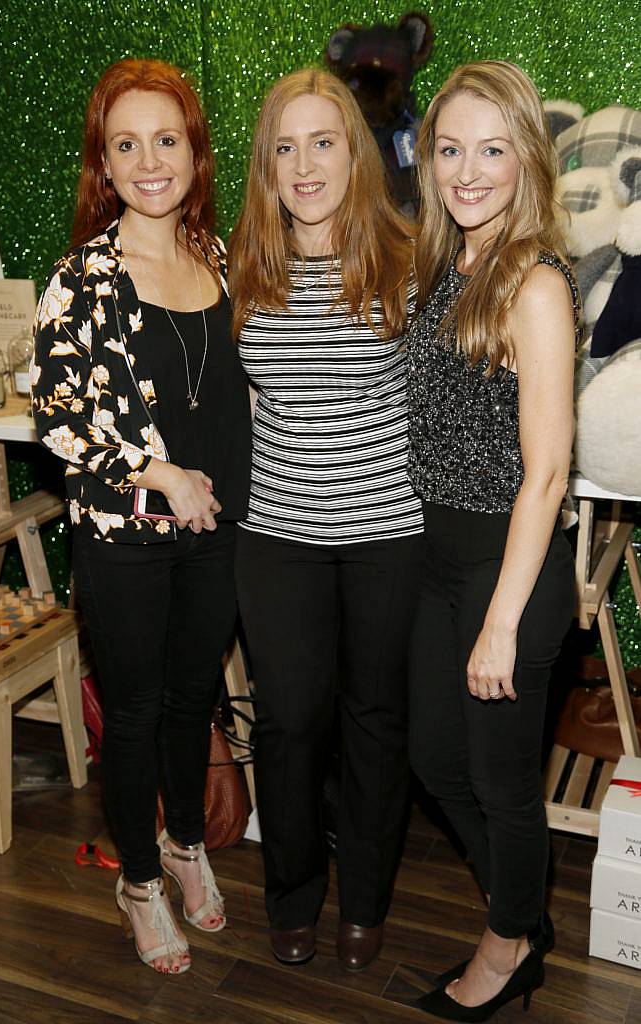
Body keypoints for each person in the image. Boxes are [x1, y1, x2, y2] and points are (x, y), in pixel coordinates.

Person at [31, 58, 251, 975]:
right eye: (127, 144)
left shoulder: (218, 257)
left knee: (188, 701)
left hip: (220, 532)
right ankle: (137, 883)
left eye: (166, 140)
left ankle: (184, 844)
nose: (149, 160)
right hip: (127, 537)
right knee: (131, 711)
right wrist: (161, 473)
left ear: (195, 153)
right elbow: (55, 415)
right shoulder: (82, 274)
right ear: (105, 163)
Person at [229, 67, 424, 971]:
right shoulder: (242, 269)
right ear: (265, 166)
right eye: (284, 146)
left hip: (386, 532)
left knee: (374, 721)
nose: (303, 165)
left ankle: (367, 903)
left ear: (354, 151)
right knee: (288, 721)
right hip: (277, 534)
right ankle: (293, 893)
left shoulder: (409, 258)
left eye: (321, 142)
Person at [407, 60, 580, 1020]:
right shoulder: (448, 264)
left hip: (504, 567)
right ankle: (520, 909)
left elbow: (546, 472)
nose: (466, 171)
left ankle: (510, 940)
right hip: (438, 558)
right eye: (448, 149)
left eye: (490, 150)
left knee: (499, 781)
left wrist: (502, 622)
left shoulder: (535, 282)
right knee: (435, 758)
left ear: (525, 160)